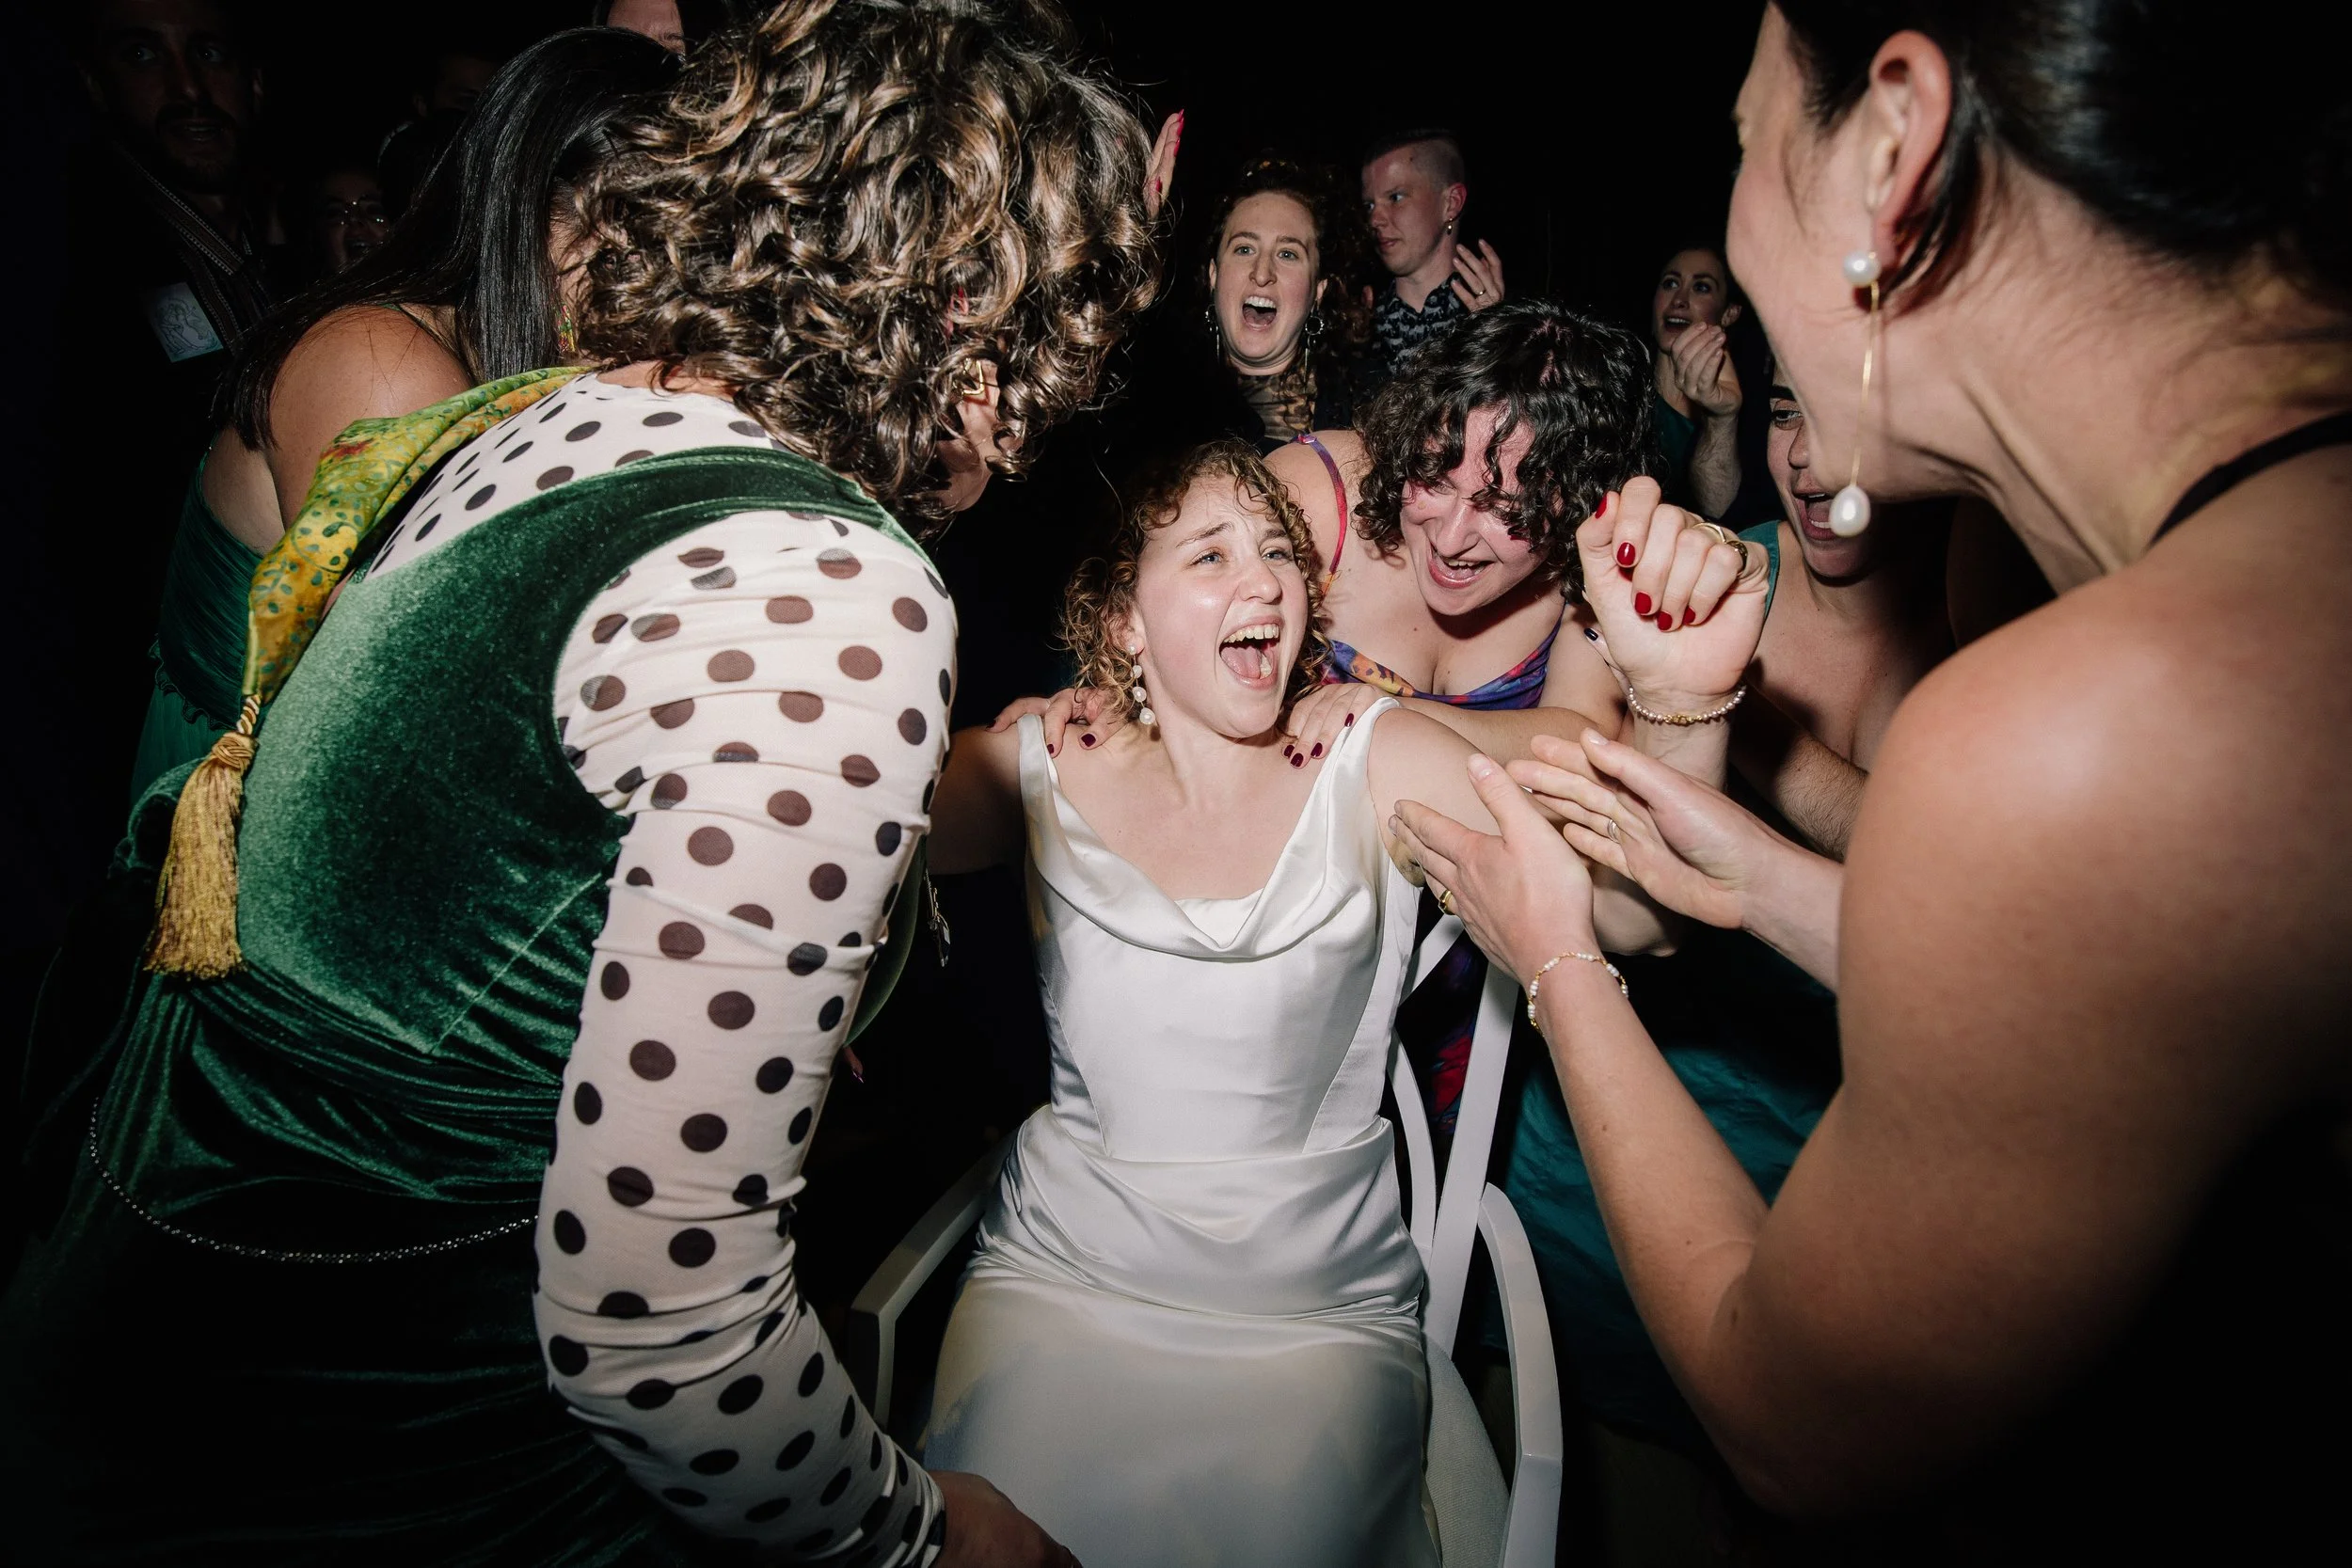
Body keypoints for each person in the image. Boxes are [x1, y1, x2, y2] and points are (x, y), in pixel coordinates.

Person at [0, 6, 1168, 1566]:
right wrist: (928, 1538)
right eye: (1054, 341)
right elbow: (657, 1333)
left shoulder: (546, 422)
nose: (1031, 431)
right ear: (967, 302)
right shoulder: (825, 583)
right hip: (372, 1447)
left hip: (141, 1353)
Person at [1393, 3, 2352, 1557]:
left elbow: (1794, 1423)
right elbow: (2093, 1004)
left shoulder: (2080, 708)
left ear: (1892, 147)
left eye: (1745, 141)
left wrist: (1558, 956)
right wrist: (1760, 870)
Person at [923, 438, 1651, 1567]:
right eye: (1210, 555)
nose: (1262, 579)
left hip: (1307, 1316)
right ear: (1124, 621)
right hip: (1059, 1283)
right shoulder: (1046, 757)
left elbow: (1629, 913)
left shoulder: (1370, 753)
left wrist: (1676, 689)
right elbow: (856, 832)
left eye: (1277, 553)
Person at [1495, 357, 1954, 1460]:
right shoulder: (1691, 572)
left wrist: (1739, 719)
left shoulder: (1979, 617)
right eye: (1788, 409)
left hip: (1859, 1136)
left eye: (1850, 419)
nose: (1804, 455)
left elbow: (1958, 903)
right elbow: (1576, 817)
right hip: (1642, 1078)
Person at [126, 27, 680, 803]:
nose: (661, 299)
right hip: (241, 809)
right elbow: (414, 717)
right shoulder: (383, 365)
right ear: (525, 211)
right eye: (632, 248)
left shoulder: (518, 360)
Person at [1191, 156, 1377, 450]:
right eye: (1244, 249)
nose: (1262, 273)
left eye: (1287, 254)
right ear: (1214, 275)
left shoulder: (1367, 408)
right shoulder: (1154, 398)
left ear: (1318, 290)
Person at [1358, 130, 1505, 391]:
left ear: (1451, 203)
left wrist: (1496, 345)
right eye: (1369, 205)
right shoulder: (1360, 324)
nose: (1375, 219)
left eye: (1395, 198)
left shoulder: (1501, 325)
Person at [1648, 245, 1745, 517]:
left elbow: (1719, 515)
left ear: (1729, 314)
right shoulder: (1616, 398)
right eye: (1670, 283)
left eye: (1701, 287)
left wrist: (1723, 417)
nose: (1679, 299)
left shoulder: (1745, 431)